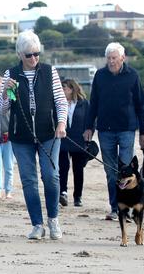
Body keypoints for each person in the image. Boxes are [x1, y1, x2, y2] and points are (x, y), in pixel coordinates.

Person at [0, 30, 67, 240]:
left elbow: (61, 101)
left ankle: (53, 219)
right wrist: (5, 92)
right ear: (20, 54)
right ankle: (37, 224)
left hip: (50, 132)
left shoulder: (49, 71)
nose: (34, 58)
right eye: (29, 55)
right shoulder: (11, 74)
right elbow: (2, 108)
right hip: (21, 136)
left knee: (51, 176)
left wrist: (62, 123)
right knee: (29, 180)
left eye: (37, 53)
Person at [83, 42, 144, 221]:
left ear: (122, 58)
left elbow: (141, 106)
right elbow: (93, 103)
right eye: (109, 58)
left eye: (114, 58)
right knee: (111, 172)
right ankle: (115, 207)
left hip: (127, 129)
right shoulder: (100, 75)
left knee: (126, 172)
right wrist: (89, 127)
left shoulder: (133, 76)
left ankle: (128, 208)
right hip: (105, 130)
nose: (111, 62)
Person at [58, 78, 91, 208]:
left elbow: (90, 120)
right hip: (62, 139)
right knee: (63, 167)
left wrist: (89, 132)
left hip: (79, 140)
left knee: (78, 169)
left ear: (72, 89)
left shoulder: (84, 103)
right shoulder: (59, 103)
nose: (62, 91)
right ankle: (63, 192)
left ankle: (78, 196)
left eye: (64, 88)